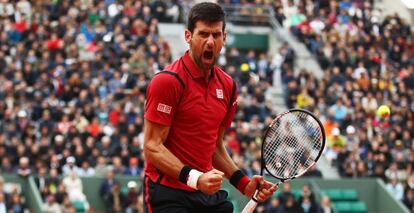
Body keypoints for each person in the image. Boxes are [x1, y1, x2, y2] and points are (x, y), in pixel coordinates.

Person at [143, 2, 276, 212]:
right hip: (168, 193)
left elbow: (215, 146)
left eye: (215, 35)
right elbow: (152, 147)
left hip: (207, 194)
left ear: (224, 37)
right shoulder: (167, 82)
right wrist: (196, 179)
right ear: (188, 36)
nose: (210, 42)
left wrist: (244, 184)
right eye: (203, 34)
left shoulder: (229, 86)